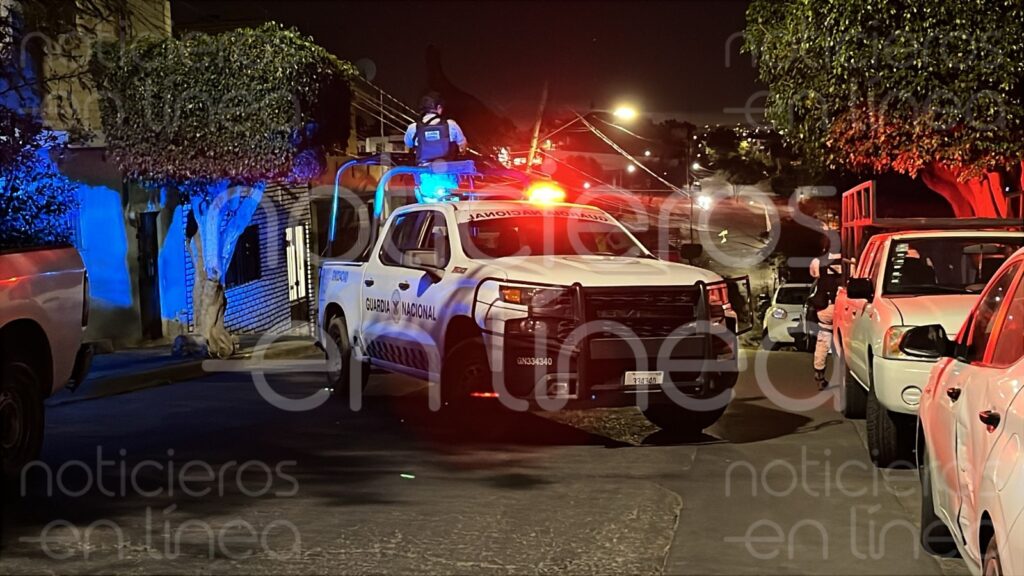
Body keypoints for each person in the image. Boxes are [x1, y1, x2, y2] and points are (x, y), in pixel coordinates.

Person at [808, 251, 842, 389]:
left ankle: (819, 373)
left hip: (825, 307)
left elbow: (814, 274)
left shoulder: (818, 261)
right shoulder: (849, 261)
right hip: (843, 305)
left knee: (823, 339)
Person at [404, 92, 468, 164]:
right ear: (439, 108)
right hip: (447, 168)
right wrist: (462, 152)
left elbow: (409, 145)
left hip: (424, 169)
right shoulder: (451, 125)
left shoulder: (413, 128)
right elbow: (462, 146)